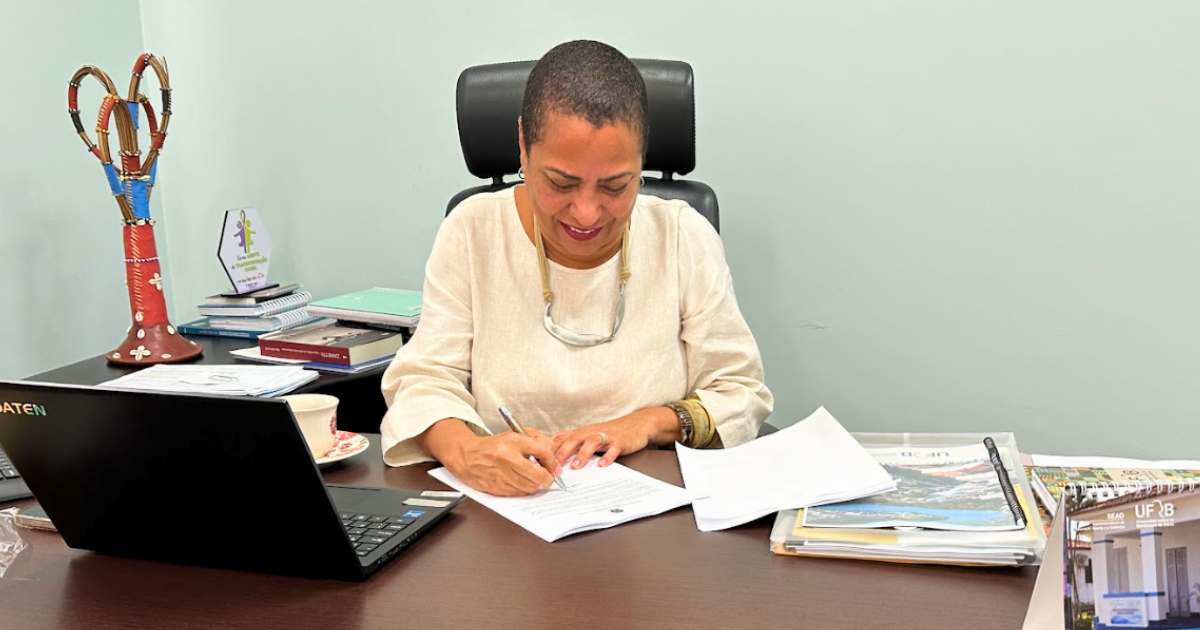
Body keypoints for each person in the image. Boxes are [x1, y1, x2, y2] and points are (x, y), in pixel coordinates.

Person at [381, 40, 772, 496]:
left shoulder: (682, 235)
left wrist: (643, 424)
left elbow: (740, 393)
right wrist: (467, 452)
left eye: (615, 186)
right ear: (523, 144)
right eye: (561, 182)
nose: (586, 213)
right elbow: (424, 381)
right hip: (506, 510)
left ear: (642, 158)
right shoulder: (473, 230)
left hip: (654, 516)